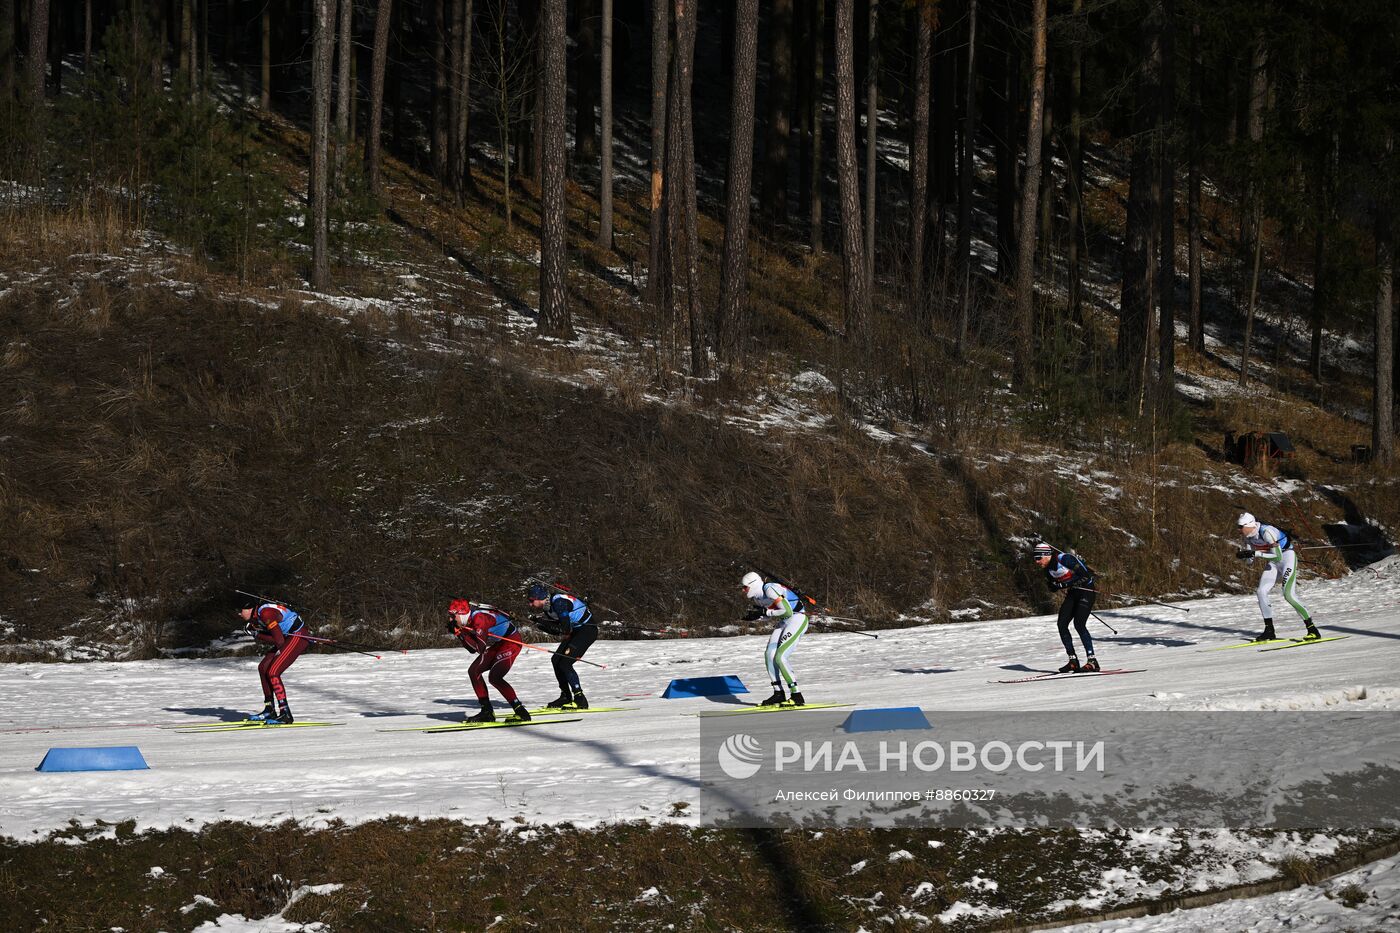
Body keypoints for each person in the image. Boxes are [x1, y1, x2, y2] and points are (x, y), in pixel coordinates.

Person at [1236, 513, 1321, 642]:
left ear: (1249, 525)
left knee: (1288, 595)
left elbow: (1278, 557)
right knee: (1261, 591)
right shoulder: (1248, 537)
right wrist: (1244, 555)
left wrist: (1255, 553)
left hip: (1287, 558)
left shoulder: (1266, 532)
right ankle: (1269, 631)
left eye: (1240, 526)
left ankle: (1312, 629)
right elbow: (1250, 561)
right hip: (1273, 562)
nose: (1239, 529)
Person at [447, 599, 530, 723]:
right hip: (499, 643)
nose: (451, 619)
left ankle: (521, 712)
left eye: (453, 616)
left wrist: (460, 633)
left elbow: (479, 648)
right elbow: (471, 649)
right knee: (474, 671)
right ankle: (487, 712)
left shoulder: (479, 619)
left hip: (511, 641)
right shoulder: (467, 620)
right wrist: (460, 633)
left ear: (462, 614)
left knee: (495, 677)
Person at [741, 571, 808, 706]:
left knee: (780, 657)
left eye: (745, 587)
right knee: (769, 655)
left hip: (797, 619)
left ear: (752, 585)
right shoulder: (757, 597)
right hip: (784, 622)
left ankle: (797, 695)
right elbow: (772, 613)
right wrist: (757, 616)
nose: (743, 590)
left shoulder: (769, 589)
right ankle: (778, 693)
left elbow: (787, 611)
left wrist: (765, 612)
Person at [1032, 543, 1101, 673]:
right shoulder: (1047, 569)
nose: (1036, 561)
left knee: (1079, 624)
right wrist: (1054, 586)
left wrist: (1064, 584)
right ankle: (1073, 661)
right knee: (1062, 624)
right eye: (1035, 558)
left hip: (1086, 591)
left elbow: (1086, 576)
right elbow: (1054, 586)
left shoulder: (1064, 559)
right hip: (1073, 593)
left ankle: (1092, 661)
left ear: (1047, 555)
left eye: (1038, 558)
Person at [527, 582, 597, 709]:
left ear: (540, 597)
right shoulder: (547, 608)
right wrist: (539, 623)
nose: (530, 604)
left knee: (565, 663)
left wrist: (541, 621)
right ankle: (565, 696)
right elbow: (555, 630)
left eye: (532, 600)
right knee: (556, 660)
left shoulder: (558, 603)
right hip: (576, 631)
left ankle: (580, 698)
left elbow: (564, 629)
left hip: (587, 630)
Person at [238, 597, 309, 723]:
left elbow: (279, 640)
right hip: (288, 637)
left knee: (273, 671)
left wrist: (256, 634)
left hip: (298, 635)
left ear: (249, 609)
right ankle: (269, 709)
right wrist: (257, 631)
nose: (239, 614)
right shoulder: (259, 614)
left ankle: (285, 713)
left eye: (240, 610)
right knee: (263, 668)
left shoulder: (265, 614)